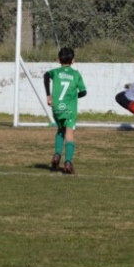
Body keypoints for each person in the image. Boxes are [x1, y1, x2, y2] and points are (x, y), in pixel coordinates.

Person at [44, 47, 87, 175]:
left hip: (57, 108)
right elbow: (84, 92)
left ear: (58, 60)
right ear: (73, 60)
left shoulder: (55, 72)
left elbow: (46, 75)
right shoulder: (76, 74)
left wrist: (48, 95)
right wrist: (74, 96)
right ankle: (68, 162)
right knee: (69, 134)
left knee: (60, 130)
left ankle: (57, 155)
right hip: (70, 109)